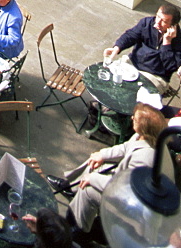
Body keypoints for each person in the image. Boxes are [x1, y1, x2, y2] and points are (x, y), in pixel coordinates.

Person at [46, 103, 166, 244]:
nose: (132, 118)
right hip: (124, 177)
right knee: (96, 162)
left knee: (89, 190)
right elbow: (125, 147)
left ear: (145, 127)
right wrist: (102, 154)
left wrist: (93, 178)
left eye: (136, 119)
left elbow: (126, 189)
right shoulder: (142, 136)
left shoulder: (145, 158)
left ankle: (79, 231)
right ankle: (71, 187)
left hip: (131, 203)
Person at [103, 2, 181, 88]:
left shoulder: (178, 40)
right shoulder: (146, 23)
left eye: (164, 21)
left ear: (173, 25)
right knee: (108, 76)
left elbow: (171, 66)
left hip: (155, 76)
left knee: (135, 95)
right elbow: (131, 35)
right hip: (133, 63)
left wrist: (167, 43)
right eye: (158, 16)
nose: (157, 22)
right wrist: (117, 47)